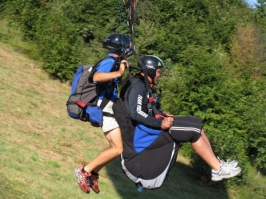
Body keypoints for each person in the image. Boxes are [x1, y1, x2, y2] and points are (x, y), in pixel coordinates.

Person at [113, 55, 241, 189]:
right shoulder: (137, 85)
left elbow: (148, 107)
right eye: (158, 71)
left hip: (150, 130)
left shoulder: (144, 85)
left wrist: (162, 114)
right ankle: (218, 168)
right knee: (193, 131)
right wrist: (160, 123)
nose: (160, 75)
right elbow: (136, 113)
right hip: (143, 138)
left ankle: (217, 165)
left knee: (196, 123)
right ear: (149, 70)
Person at [74, 33, 132, 194]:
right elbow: (97, 77)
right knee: (118, 148)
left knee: (116, 147)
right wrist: (119, 72)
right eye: (126, 49)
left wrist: (125, 74)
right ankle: (84, 171)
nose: (127, 52)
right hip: (104, 108)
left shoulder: (114, 63)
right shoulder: (109, 61)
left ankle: (92, 173)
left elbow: (112, 83)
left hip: (109, 108)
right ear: (120, 49)